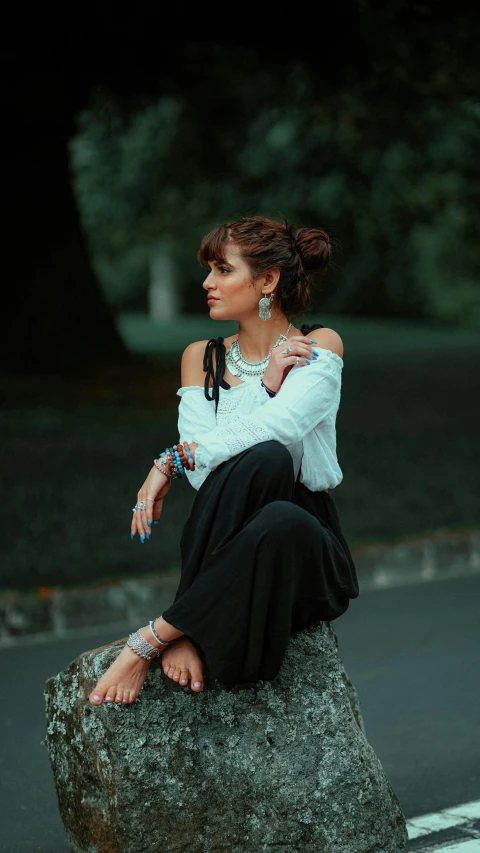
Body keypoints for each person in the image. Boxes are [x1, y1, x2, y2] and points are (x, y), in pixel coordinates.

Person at [88, 215, 359, 707]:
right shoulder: (201, 357)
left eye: (221, 270)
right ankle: (189, 625)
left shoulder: (319, 347)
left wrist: (165, 462)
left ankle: (160, 632)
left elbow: (277, 429)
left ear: (268, 280)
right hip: (229, 529)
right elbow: (204, 472)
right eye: (209, 271)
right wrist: (265, 388)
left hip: (299, 548)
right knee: (261, 469)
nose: (207, 283)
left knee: (276, 480)